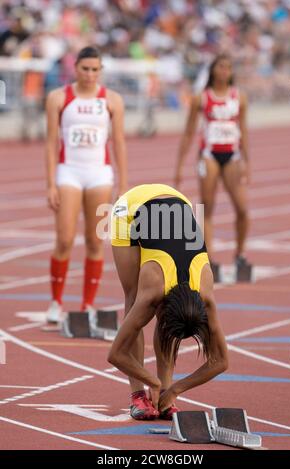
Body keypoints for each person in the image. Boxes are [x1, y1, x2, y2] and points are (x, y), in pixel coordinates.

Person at [108, 183, 228, 420]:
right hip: (131, 210)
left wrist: (174, 389)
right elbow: (115, 354)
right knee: (133, 300)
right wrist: (149, 380)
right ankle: (138, 396)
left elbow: (221, 361)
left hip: (176, 199)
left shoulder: (205, 294)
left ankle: (163, 394)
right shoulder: (154, 287)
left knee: (170, 330)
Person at [44, 46, 127, 325]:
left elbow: (118, 143)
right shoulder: (59, 98)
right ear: (75, 68)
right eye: (85, 69)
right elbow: (51, 143)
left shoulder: (111, 100)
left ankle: (87, 304)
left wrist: (123, 184)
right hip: (69, 172)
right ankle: (56, 301)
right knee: (64, 239)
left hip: (99, 175)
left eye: (95, 69)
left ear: (100, 70)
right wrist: (50, 184)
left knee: (95, 241)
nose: (90, 74)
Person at [175, 54, 250, 271]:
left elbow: (243, 130)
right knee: (207, 207)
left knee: (242, 208)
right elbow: (189, 132)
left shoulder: (239, 97)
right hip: (208, 155)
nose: (224, 71)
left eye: (228, 67)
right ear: (213, 70)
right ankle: (208, 258)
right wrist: (179, 165)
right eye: (220, 67)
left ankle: (240, 253)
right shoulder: (202, 98)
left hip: (232, 155)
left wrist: (248, 162)